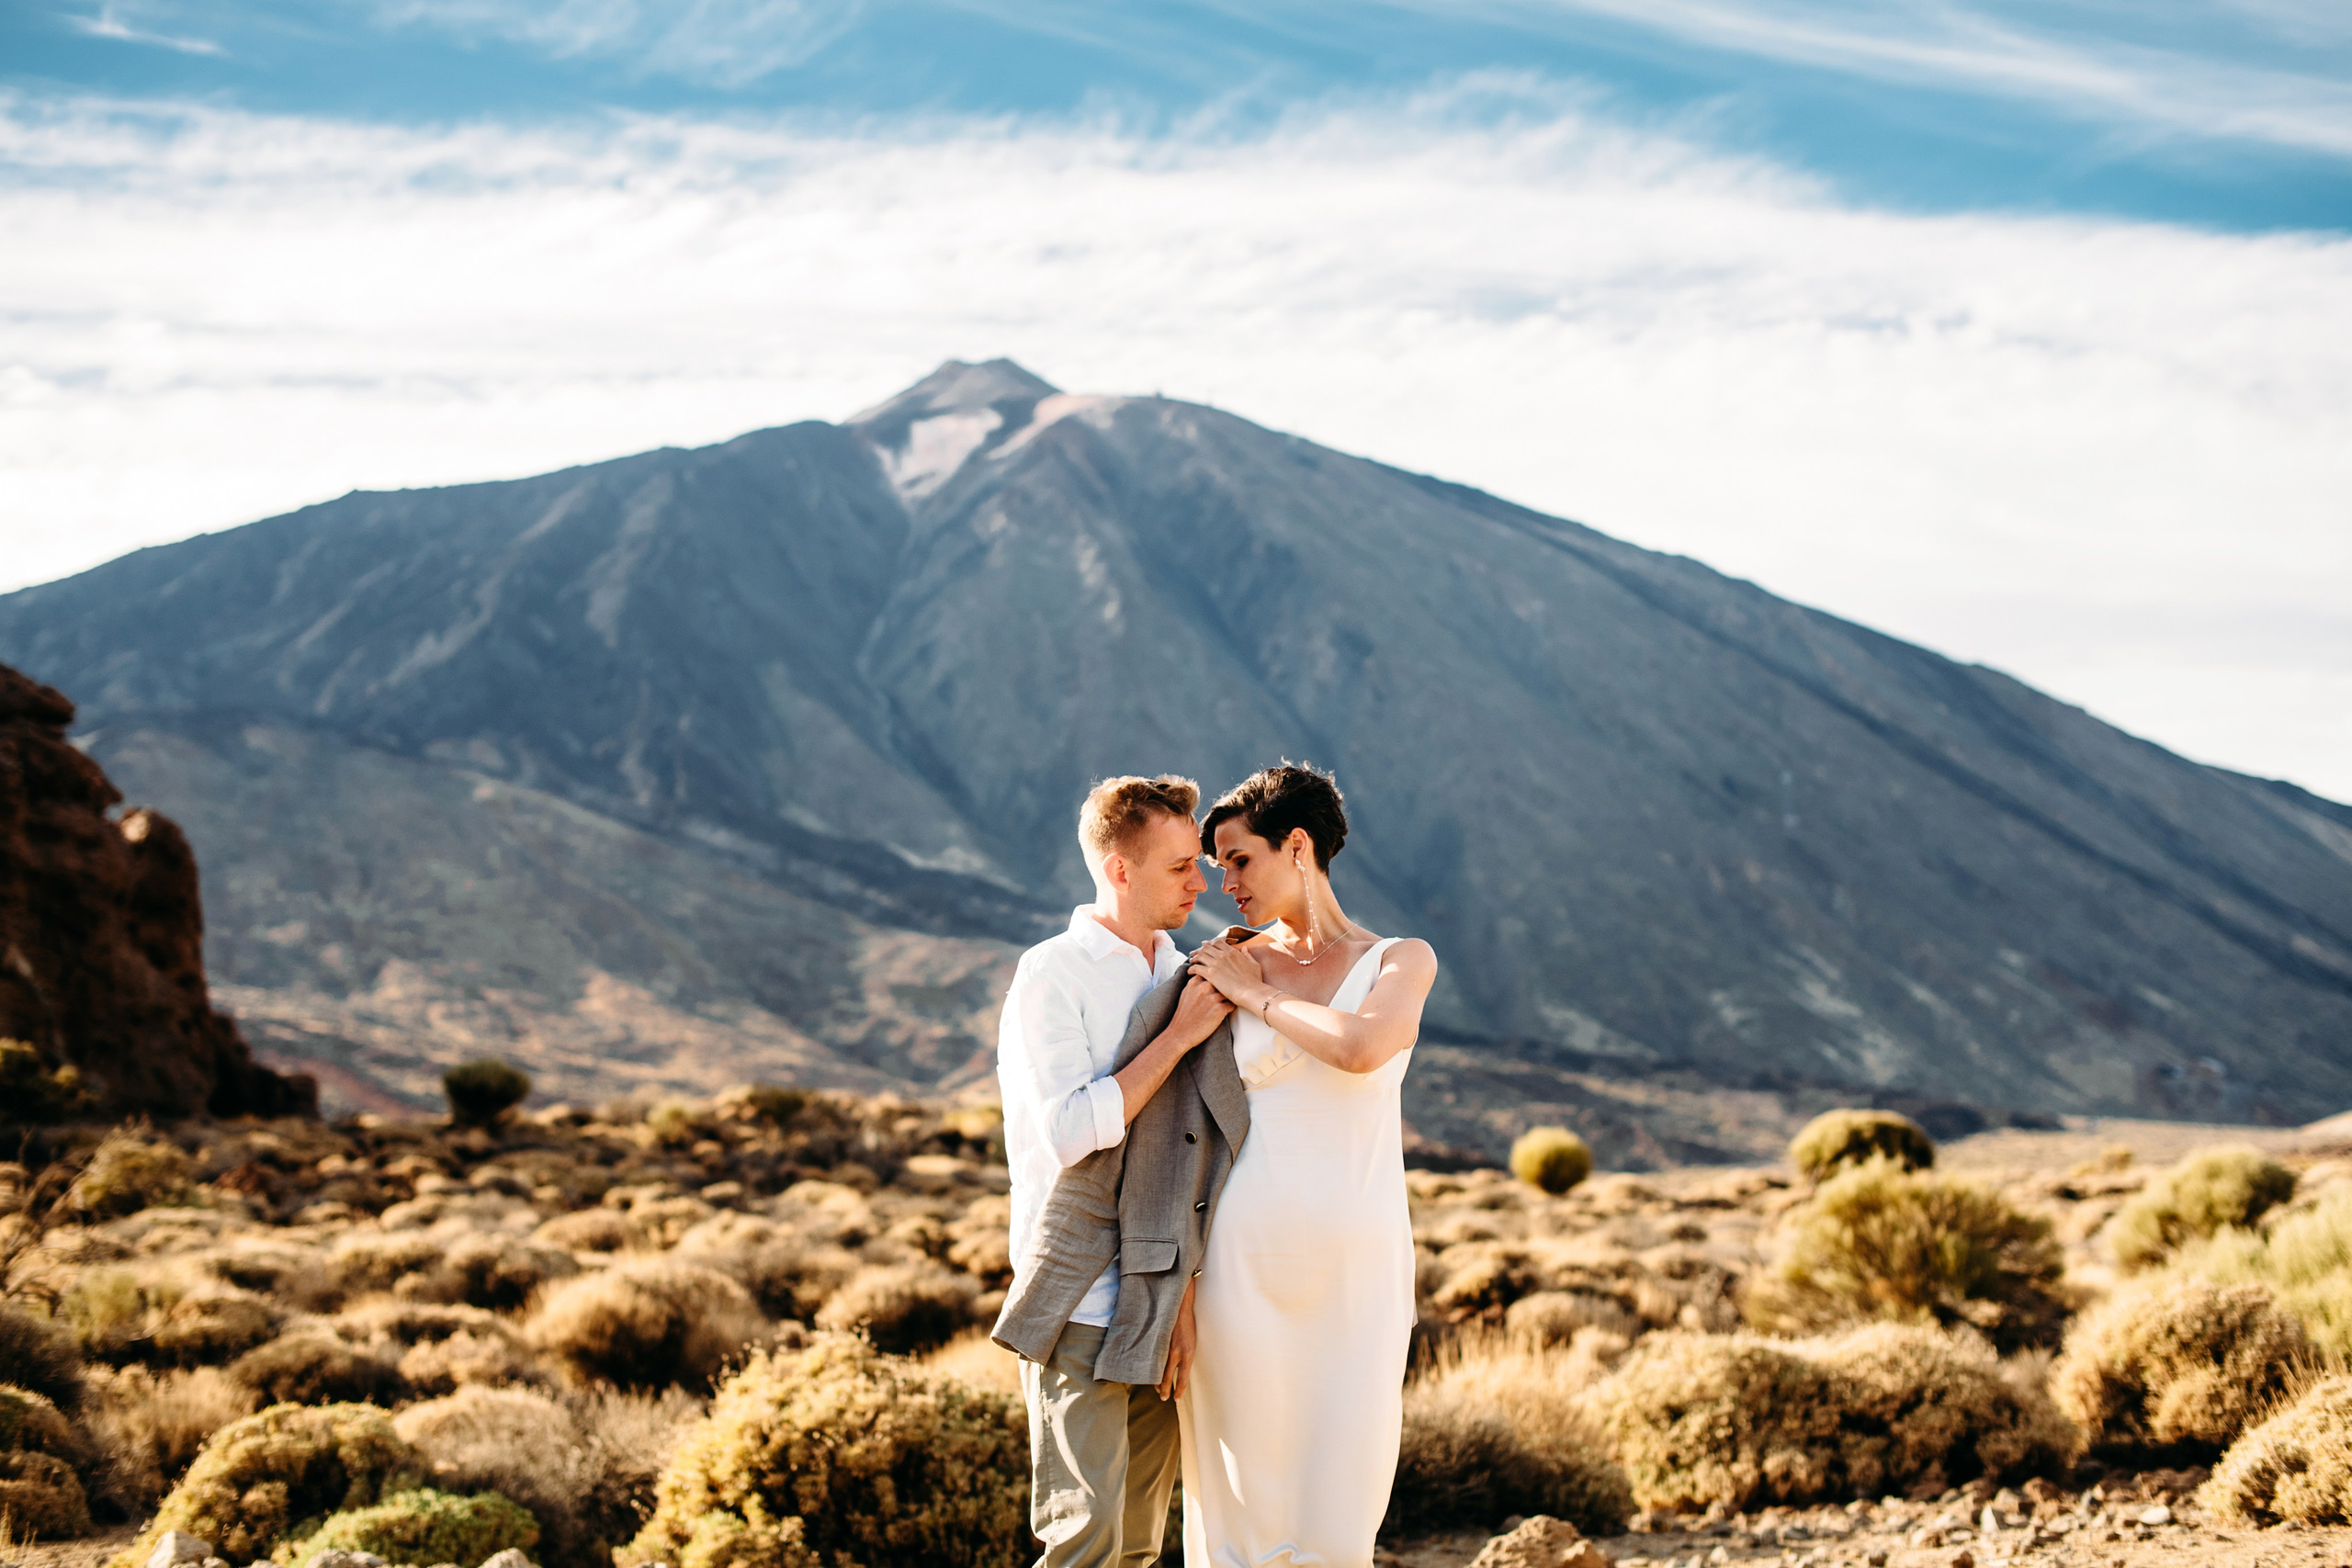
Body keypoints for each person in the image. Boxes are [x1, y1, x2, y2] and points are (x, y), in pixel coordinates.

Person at [1177, 762, 1440, 1568]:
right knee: (1241, 1519)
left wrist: (1256, 996)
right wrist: (1176, 1283)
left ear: (1297, 845)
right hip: (1239, 1267)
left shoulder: (1401, 959)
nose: (1225, 883)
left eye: (1239, 859)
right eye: (1218, 865)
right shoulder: (1222, 960)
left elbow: (1361, 1047)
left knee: (1338, 1519)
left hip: (1359, 1270)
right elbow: (1184, 1128)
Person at [997, 774, 1238, 1567]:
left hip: (1158, 1297)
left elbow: (1196, 1145)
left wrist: (1186, 1292)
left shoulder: (1186, 972)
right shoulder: (1052, 973)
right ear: (1119, 869)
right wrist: (1176, 1037)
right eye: (1180, 866)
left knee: (1136, 1542)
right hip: (1078, 1297)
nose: (1200, 881)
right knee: (1086, 1536)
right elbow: (1071, 1131)